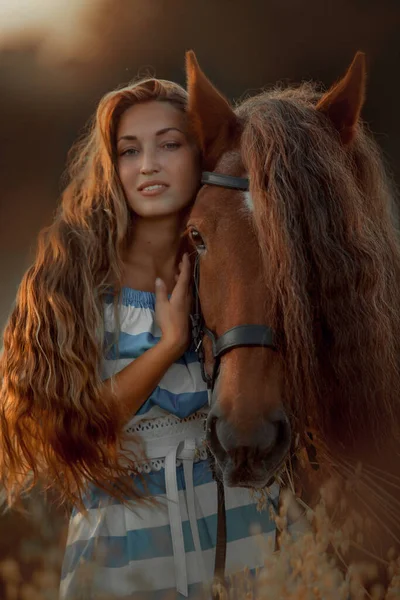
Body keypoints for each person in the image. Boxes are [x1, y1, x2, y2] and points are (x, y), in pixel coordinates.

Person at [0, 76, 279, 599]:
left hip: (245, 541)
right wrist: (167, 346)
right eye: (130, 151)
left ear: (201, 154)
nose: (148, 164)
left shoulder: (235, 273)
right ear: (113, 166)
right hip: (124, 558)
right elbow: (71, 430)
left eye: (169, 144)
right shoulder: (71, 281)